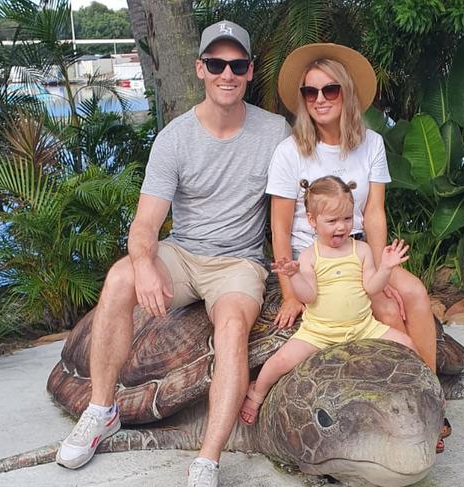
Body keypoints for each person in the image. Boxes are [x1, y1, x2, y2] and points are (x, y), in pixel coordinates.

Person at [55, 20, 291, 487]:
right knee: (120, 278)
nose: (227, 73)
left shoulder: (274, 131)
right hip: (183, 252)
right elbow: (145, 224)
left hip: (238, 261)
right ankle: (102, 409)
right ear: (201, 68)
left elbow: (293, 205)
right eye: (217, 64)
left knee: (232, 327)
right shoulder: (175, 138)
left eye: (237, 65)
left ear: (249, 71)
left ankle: (207, 459)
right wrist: (144, 263)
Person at [265, 43, 450, 452]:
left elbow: (376, 212)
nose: (319, 100)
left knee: (415, 294)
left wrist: (381, 271)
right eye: (310, 92)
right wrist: (290, 293)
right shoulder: (289, 151)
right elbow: (279, 227)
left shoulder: (372, 144)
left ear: (346, 92)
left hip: (361, 251)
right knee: (385, 311)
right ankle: (403, 404)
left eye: (329, 90)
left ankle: (431, 397)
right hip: (313, 258)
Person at [239, 176, 416, 423]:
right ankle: (256, 393)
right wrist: (295, 276)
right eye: (332, 221)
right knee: (279, 361)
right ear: (312, 221)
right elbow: (308, 296)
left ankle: (420, 392)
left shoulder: (361, 250)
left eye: (347, 218)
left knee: (407, 345)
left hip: (362, 328)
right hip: (318, 333)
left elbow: (371, 287)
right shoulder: (310, 256)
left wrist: (385, 268)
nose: (341, 227)